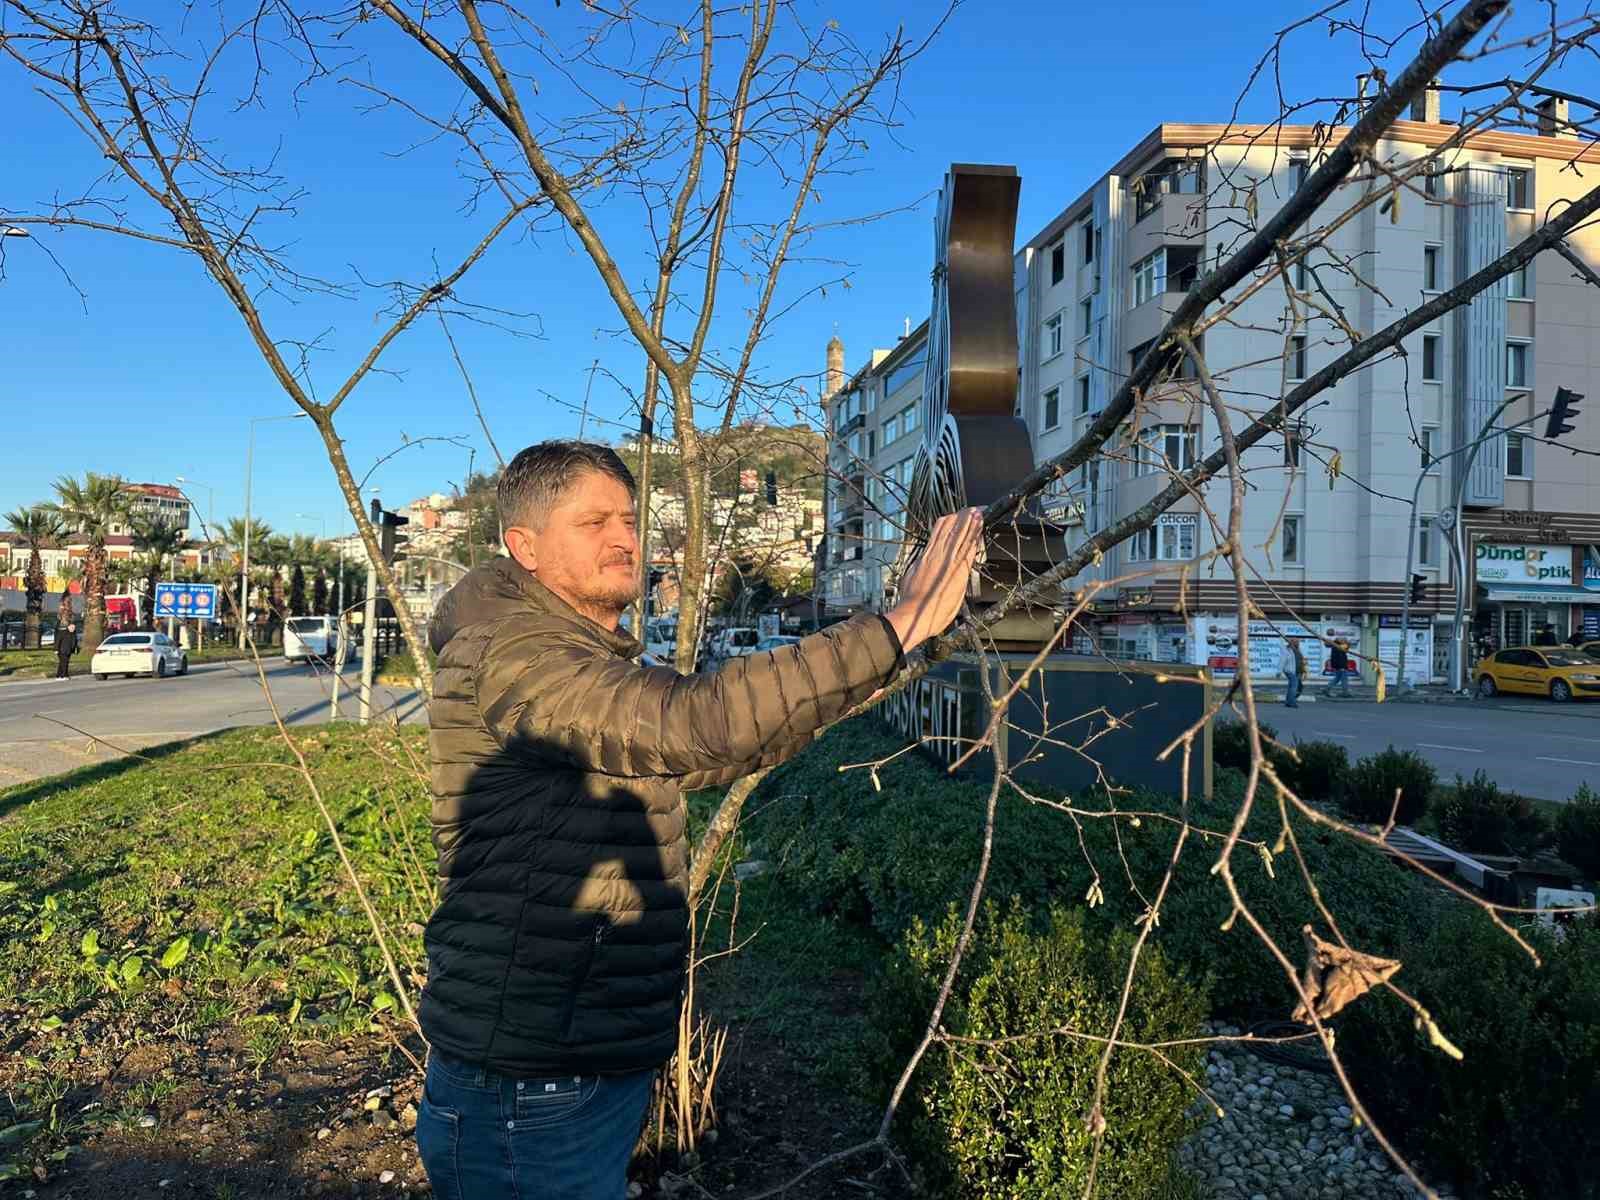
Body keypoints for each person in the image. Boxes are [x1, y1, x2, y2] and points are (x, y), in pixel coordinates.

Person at [416, 441, 983, 1200]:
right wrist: (894, 626)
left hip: (571, 1065)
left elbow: (710, 751)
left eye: (628, 518)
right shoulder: (516, 653)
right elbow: (691, 723)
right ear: (524, 547)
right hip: (531, 1086)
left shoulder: (568, 650)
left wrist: (892, 651)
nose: (625, 539)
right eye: (593, 522)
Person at [1282, 635, 1306, 707]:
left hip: (1298, 671)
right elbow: (1282, 660)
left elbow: (1301, 659)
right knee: (1294, 686)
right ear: (1291, 642)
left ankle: (1288, 701)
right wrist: (1279, 671)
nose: (1298, 643)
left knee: (1292, 686)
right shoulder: (1287, 650)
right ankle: (1291, 702)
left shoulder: (1298, 649)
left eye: (1298, 641)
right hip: (1290, 670)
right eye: (1296, 642)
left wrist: (1304, 668)